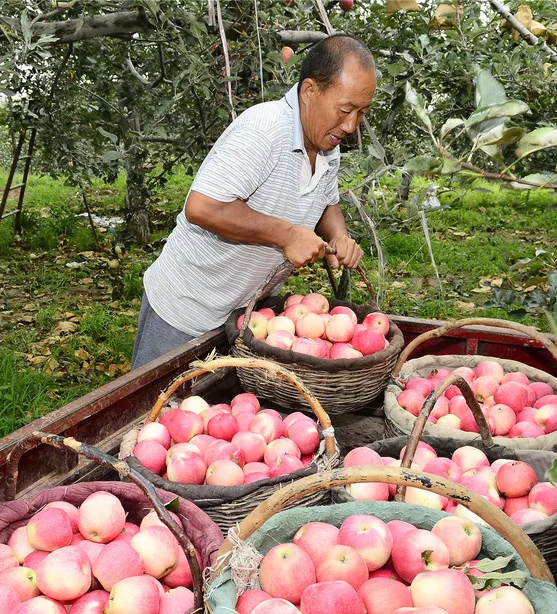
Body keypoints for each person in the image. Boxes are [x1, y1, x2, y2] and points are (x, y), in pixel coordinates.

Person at [131, 34, 376, 370]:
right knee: (155, 411)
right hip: (187, 310)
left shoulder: (326, 143)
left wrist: (339, 237)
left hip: (243, 315)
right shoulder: (264, 131)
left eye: (361, 113)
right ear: (309, 92)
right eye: (346, 109)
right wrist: (287, 235)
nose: (351, 125)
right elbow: (203, 207)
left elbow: (327, 199)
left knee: (217, 414)